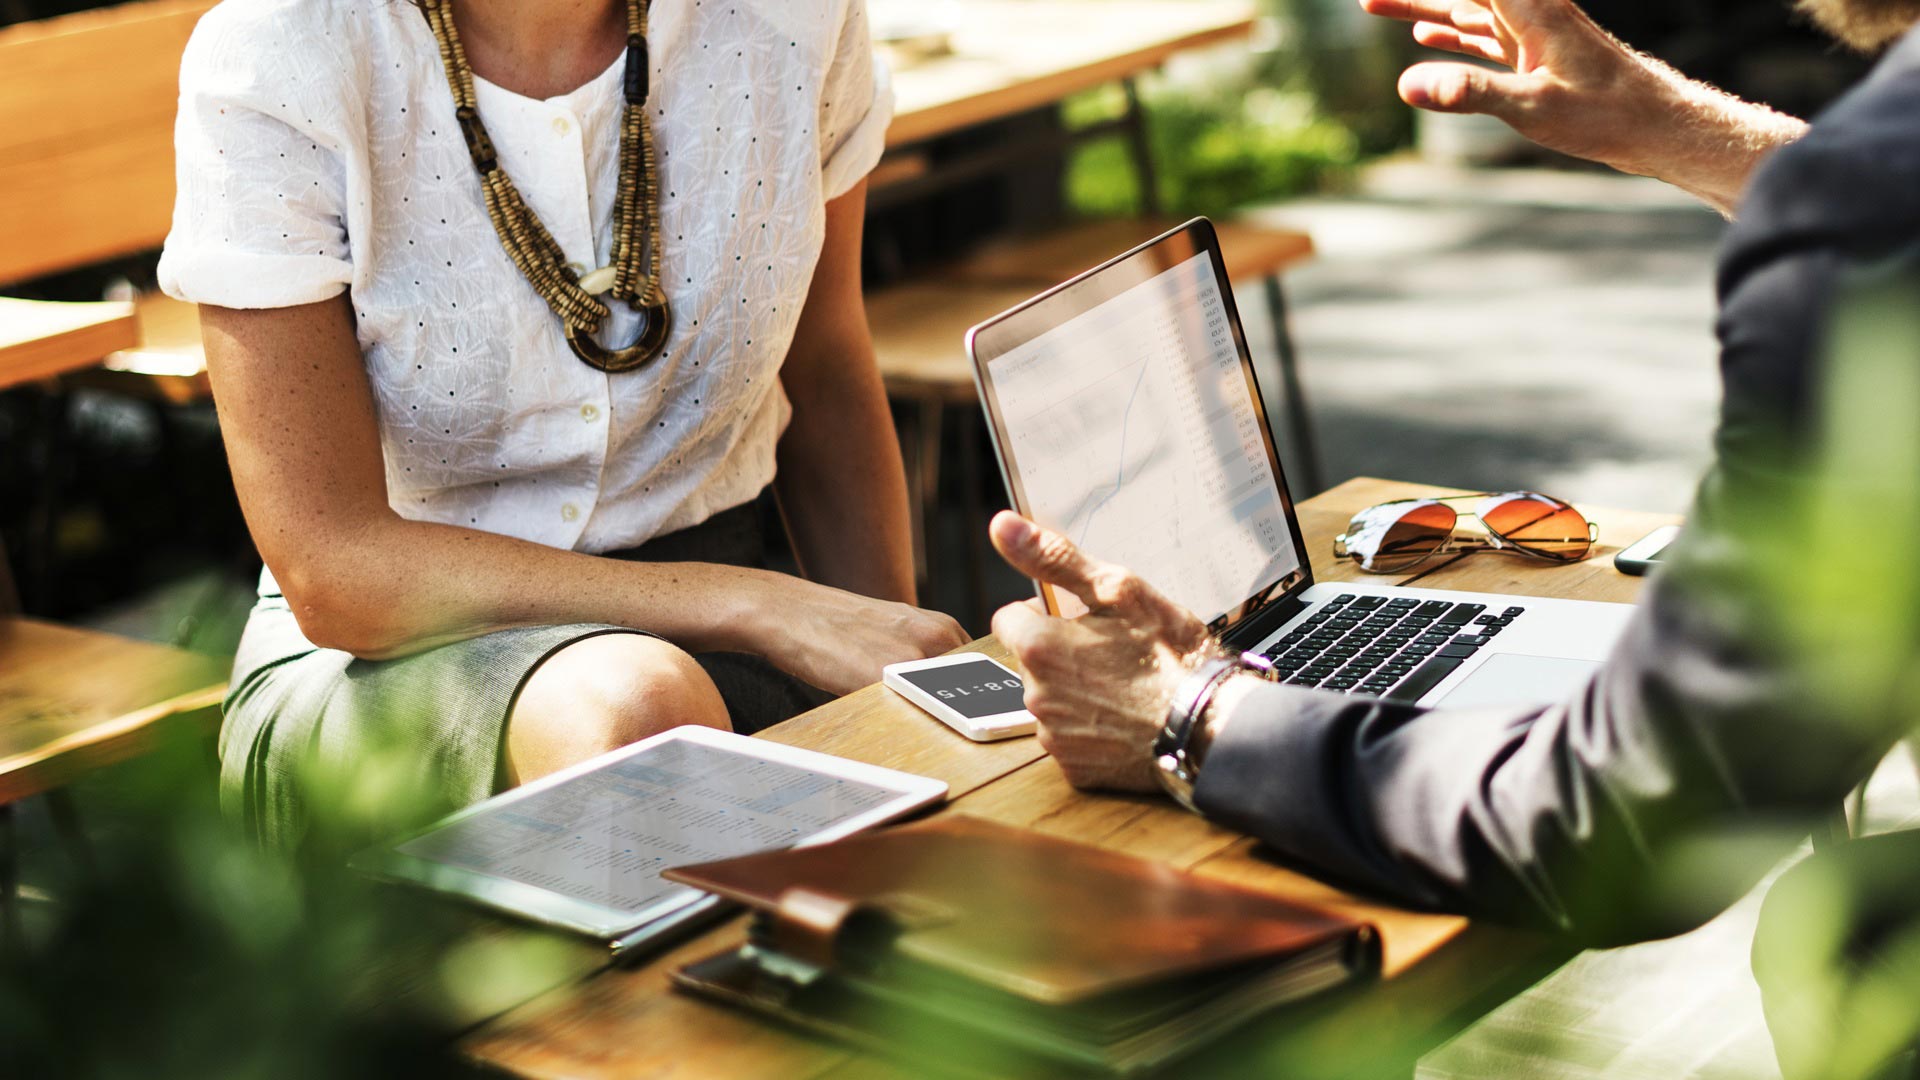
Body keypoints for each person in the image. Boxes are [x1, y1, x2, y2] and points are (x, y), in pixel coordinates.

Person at [989, 0, 1920, 1072]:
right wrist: (1667, 125)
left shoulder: (1862, 216)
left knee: (1845, 932)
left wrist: (1191, 711)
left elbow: (1617, 824)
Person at [158, 0, 968, 842]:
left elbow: (827, 362)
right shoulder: (282, 50)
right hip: (391, 662)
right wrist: (755, 605)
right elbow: (335, 571)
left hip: (738, 643)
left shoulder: (798, 18)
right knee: (642, 712)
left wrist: (892, 676)